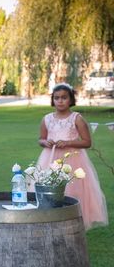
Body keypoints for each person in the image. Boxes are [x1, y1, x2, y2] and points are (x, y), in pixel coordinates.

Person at [36, 83, 108, 229]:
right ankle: (50, 220)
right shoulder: (47, 119)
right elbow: (40, 139)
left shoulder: (77, 118)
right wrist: (45, 142)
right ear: (53, 100)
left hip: (73, 159)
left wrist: (69, 143)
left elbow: (87, 142)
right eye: (57, 98)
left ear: (71, 100)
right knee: (48, 188)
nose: (60, 101)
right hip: (49, 159)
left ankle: (71, 223)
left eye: (64, 98)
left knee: (72, 190)